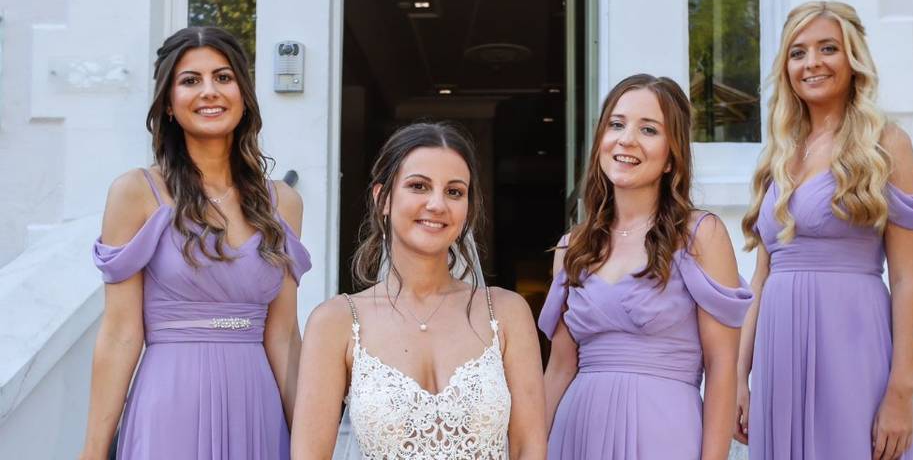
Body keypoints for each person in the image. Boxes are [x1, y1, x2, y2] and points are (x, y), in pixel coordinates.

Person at [81, 27, 311, 460]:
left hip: (257, 411)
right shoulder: (136, 192)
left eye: (223, 78)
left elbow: (282, 336)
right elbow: (120, 335)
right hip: (169, 409)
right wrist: (92, 452)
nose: (210, 91)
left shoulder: (284, 202)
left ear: (243, 94)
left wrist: (311, 443)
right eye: (190, 80)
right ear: (168, 103)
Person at [736, 1, 913, 460]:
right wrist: (739, 379)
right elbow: (760, 280)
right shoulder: (779, 153)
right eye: (798, 52)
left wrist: (901, 393)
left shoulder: (887, 144)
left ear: (853, 58)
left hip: (853, 347)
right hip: (778, 356)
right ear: (786, 66)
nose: (812, 63)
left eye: (828, 48)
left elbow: (906, 280)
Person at [290, 122, 546, 460]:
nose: (437, 204)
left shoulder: (507, 312)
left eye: (454, 192)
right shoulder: (336, 321)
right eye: (419, 186)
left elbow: (529, 447)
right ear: (382, 198)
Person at [540, 74, 752, 460]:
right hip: (577, 434)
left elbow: (721, 367)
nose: (626, 139)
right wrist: (528, 449)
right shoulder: (573, 246)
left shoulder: (700, 236)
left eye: (649, 129)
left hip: (665, 435)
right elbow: (558, 368)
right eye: (616, 124)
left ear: (672, 155)